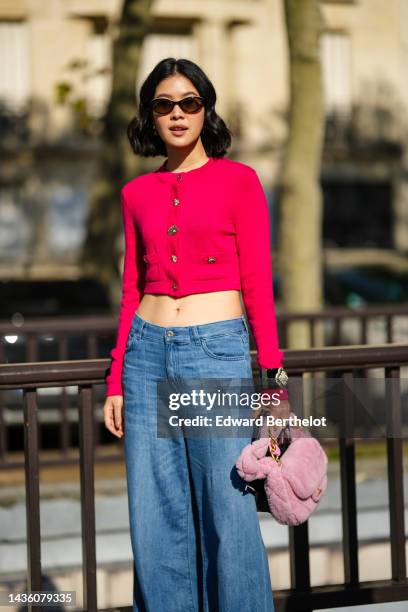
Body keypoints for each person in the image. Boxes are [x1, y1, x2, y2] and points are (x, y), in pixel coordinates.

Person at [103, 57, 289, 612]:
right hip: (145, 357)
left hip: (215, 352)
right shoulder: (136, 193)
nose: (178, 114)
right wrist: (116, 376)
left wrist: (273, 378)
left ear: (206, 110)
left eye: (189, 103)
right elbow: (131, 288)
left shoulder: (240, 181)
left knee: (226, 508)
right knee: (155, 515)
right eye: (164, 105)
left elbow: (257, 282)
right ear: (150, 116)